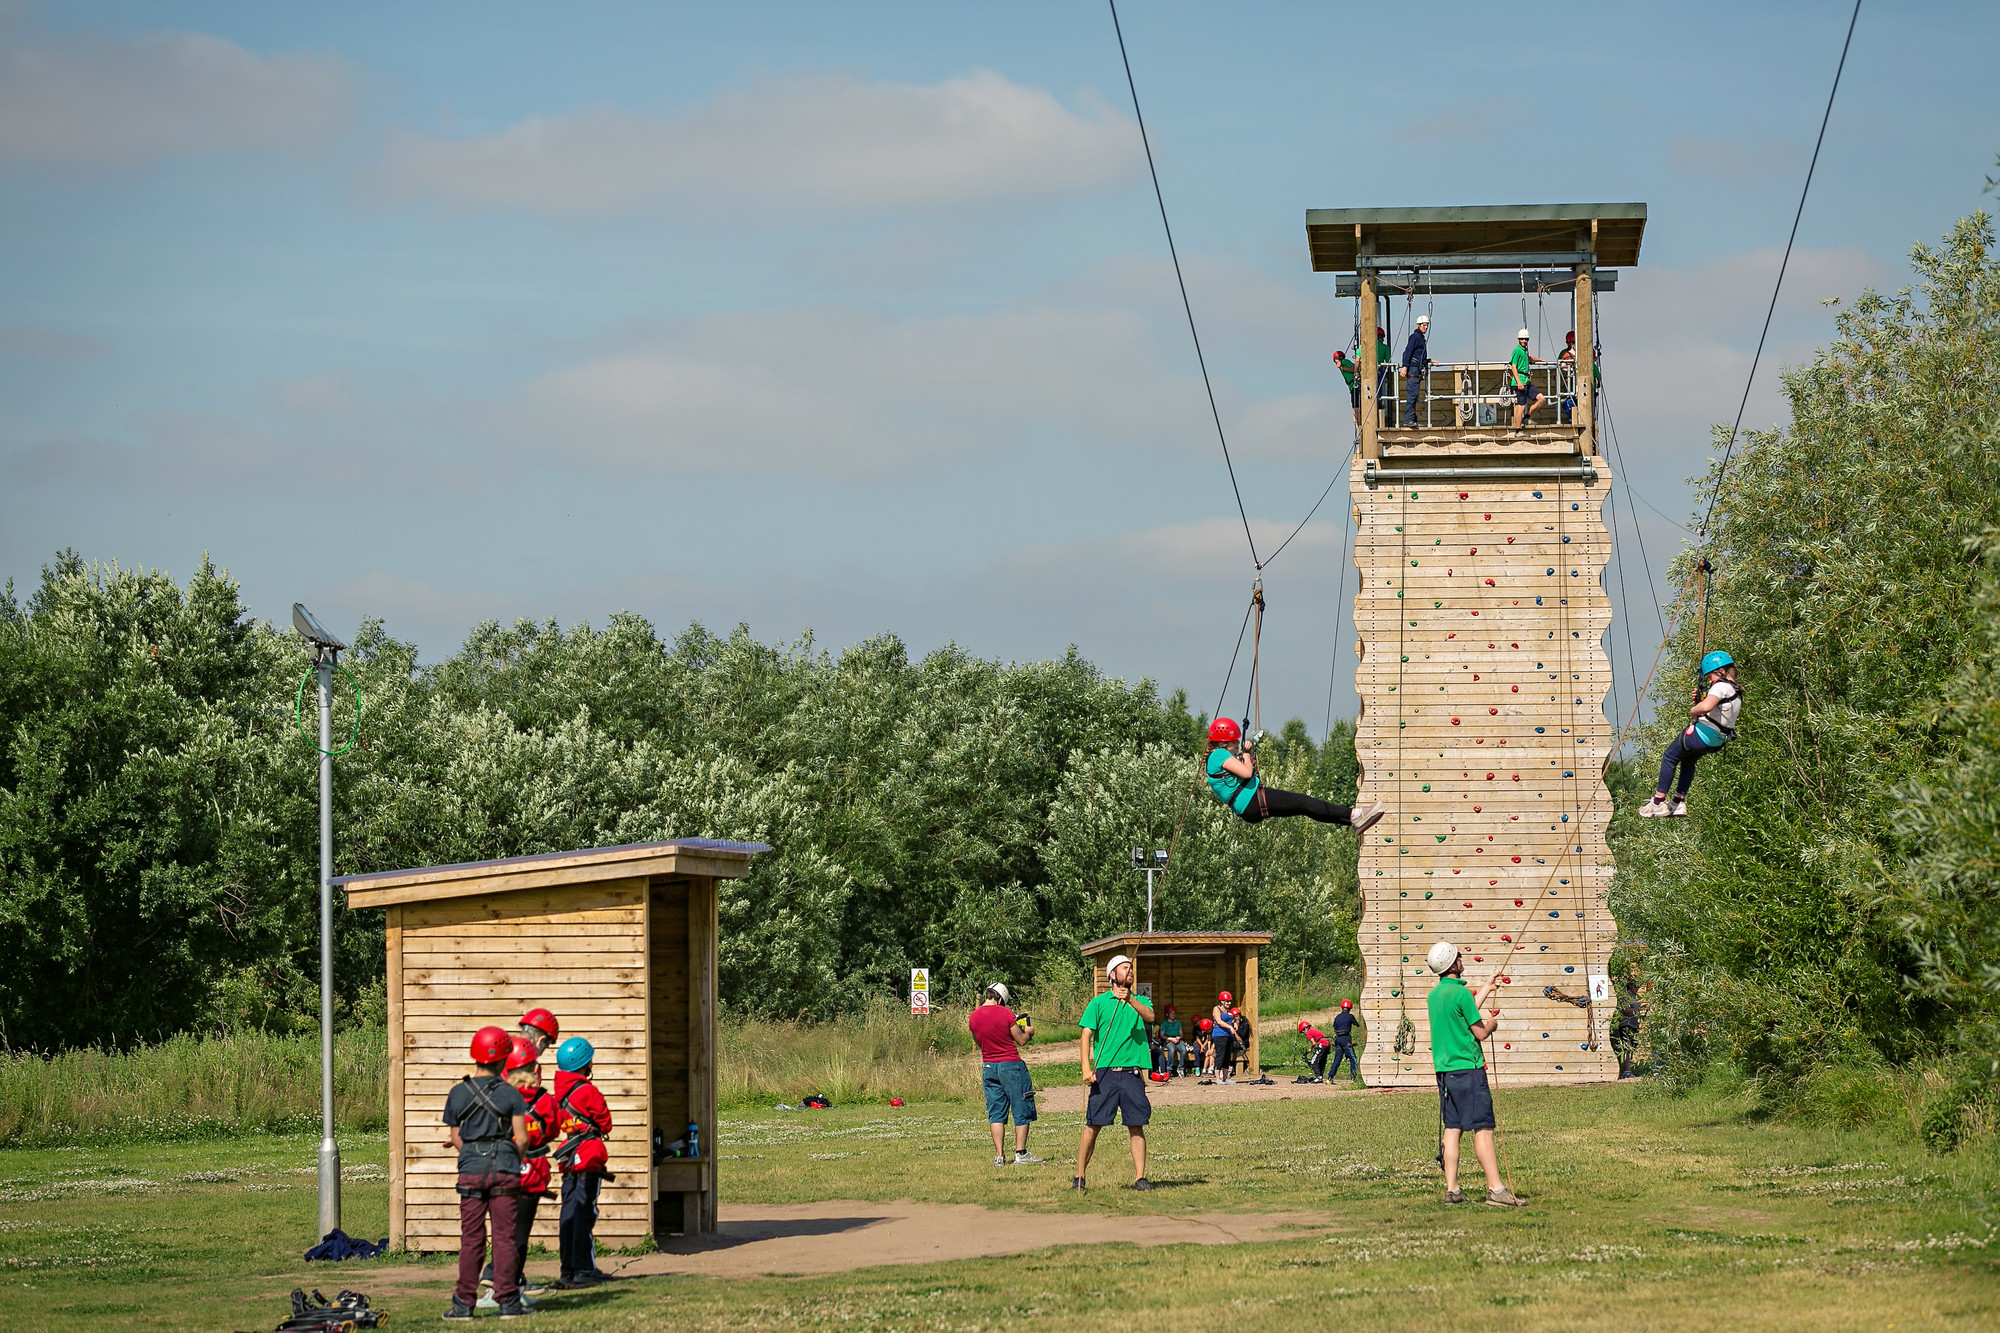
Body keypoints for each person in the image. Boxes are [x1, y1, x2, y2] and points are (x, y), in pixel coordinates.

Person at [442, 1026, 530, 1320]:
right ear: (505, 1058)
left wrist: (472, 1155)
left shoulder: (457, 1093)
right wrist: (507, 1157)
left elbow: (456, 1137)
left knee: (471, 1238)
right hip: (505, 1170)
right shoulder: (511, 1094)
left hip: (470, 1170)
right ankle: (508, 1303)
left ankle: (463, 1305)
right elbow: (522, 1139)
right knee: (504, 1238)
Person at [1425, 941, 1521, 1207]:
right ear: (1452, 964)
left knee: (1453, 1129)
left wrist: (1487, 988)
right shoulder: (1462, 994)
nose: (1461, 958)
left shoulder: (1435, 996)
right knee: (1483, 1128)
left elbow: (1461, 1013)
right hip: (1469, 1069)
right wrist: (1491, 1024)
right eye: (1458, 956)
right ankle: (1496, 1189)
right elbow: (1478, 1031)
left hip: (1446, 1074)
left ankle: (1452, 1190)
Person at [480, 1037, 555, 1309]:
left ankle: (505, 1286)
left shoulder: (496, 1097)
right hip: (532, 1174)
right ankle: (500, 1285)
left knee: (503, 1232)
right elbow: (555, 1128)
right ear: (535, 1069)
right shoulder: (545, 1100)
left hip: (500, 1173)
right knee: (518, 1237)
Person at [1204, 717, 1385, 830]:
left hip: (1248, 806)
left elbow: (1240, 774)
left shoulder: (1215, 759)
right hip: (1251, 800)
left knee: (1302, 807)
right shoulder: (1218, 755)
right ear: (1223, 743)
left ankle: (1352, 821)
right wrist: (1245, 753)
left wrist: (1246, 759)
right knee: (1303, 802)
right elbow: (1245, 773)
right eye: (1234, 742)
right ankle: (1353, 815)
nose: (1237, 745)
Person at [1074, 955, 1155, 1191]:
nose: (1130, 971)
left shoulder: (1140, 1001)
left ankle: (1140, 1178)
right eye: (1124, 968)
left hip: (1132, 1073)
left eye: (1131, 968)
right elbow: (1086, 1035)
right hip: (1105, 1073)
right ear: (1112, 975)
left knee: (1136, 1125)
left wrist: (1130, 999)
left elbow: (1150, 1017)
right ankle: (1079, 1177)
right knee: (1093, 1125)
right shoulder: (1098, 1003)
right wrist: (1086, 1068)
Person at [1639, 651, 1743, 817]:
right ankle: (1678, 801)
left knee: (1670, 756)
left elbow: (1706, 707)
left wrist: (1694, 709)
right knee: (1688, 760)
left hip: (1701, 734)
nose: (1710, 681)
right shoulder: (1735, 691)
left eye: (1710, 677)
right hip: (1716, 741)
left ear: (1721, 672)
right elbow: (1716, 710)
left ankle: (1658, 802)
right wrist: (1700, 701)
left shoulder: (1721, 686)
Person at [550, 1035, 613, 1289]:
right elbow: (606, 1123)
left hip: (568, 1160)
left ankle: (568, 1270)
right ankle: (584, 1269)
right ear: (585, 1064)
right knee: (585, 1213)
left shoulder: (558, 1093)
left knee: (569, 1212)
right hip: (588, 1156)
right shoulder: (588, 1091)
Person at [969, 982, 1041, 1165]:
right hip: (1011, 1065)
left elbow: (979, 1042)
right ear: (1000, 998)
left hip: (989, 1067)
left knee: (996, 1112)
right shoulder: (1006, 1014)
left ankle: (999, 1156)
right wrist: (1029, 1032)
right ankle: (1021, 1153)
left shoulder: (973, 1017)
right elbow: (1021, 1040)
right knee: (1021, 1107)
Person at [1510, 329, 1547, 430]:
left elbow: (1529, 358)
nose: (1524, 341)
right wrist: (1518, 382)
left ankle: (1527, 417)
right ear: (1518, 339)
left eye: (1526, 339)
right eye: (1522, 339)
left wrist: (1540, 360)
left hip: (1526, 380)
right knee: (1521, 406)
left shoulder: (1524, 351)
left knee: (1541, 399)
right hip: (1520, 381)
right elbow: (1513, 366)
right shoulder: (1517, 350)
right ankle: (1518, 429)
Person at [1399, 313, 1431, 428]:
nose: (1426, 327)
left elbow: (1419, 356)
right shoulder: (1415, 337)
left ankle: (1413, 419)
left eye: (1427, 325)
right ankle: (1408, 420)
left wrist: (1429, 361)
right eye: (1424, 325)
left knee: (1414, 395)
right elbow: (1408, 351)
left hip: (1415, 368)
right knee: (1412, 395)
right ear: (1419, 325)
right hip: (1413, 369)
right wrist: (1405, 366)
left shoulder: (1420, 338)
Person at [1614, 981, 1644, 1078]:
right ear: (1630, 985)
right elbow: (1626, 1010)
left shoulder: (1637, 998)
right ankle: (1626, 1071)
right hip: (1626, 1024)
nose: (1637, 988)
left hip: (1635, 1025)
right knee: (1627, 1048)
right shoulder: (1625, 997)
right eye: (1636, 986)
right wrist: (1638, 1010)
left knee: (1632, 1048)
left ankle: (1628, 1070)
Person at [1209, 991, 1239, 1084]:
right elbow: (1219, 1021)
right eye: (1227, 1001)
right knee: (1220, 1056)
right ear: (1222, 1001)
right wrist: (1229, 1027)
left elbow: (1231, 1020)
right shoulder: (1216, 1009)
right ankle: (1217, 1078)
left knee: (1227, 1057)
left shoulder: (1229, 1012)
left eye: (1229, 1001)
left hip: (1228, 1036)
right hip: (1219, 1035)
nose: (1229, 1003)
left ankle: (1225, 1079)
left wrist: (1234, 1024)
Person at [1329, 998, 1362, 1081]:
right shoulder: (1350, 1016)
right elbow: (1357, 1025)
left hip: (1338, 1039)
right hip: (1346, 1040)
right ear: (1350, 1008)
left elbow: (1335, 1029)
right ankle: (1353, 1078)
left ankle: (1330, 1077)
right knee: (1353, 1058)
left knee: (1337, 1060)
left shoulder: (1338, 1017)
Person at [1332, 349, 1361, 427]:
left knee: (1356, 407)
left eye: (1336, 361)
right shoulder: (1342, 365)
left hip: (1355, 385)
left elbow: (1354, 368)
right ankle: (1359, 423)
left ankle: (1361, 424)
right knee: (1355, 408)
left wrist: (1342, 367)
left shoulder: (1344, 362)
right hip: (1352, 387)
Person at [1157, 1005, 1188, 1076]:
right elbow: (1162, 1035)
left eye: (1174, 1013)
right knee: (1171, 1049)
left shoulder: (1177, 1023)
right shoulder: (1164, 1023)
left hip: (1177, 1039)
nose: (1173, 1015)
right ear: (1167, 1014)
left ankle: (1180, 1068)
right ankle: (1169, 1069)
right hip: (1168, 1039)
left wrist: (1178, 1038)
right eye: (1171, 1013)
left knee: (1183, 1049)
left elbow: (1181, 1034)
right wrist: (1170, 1039)